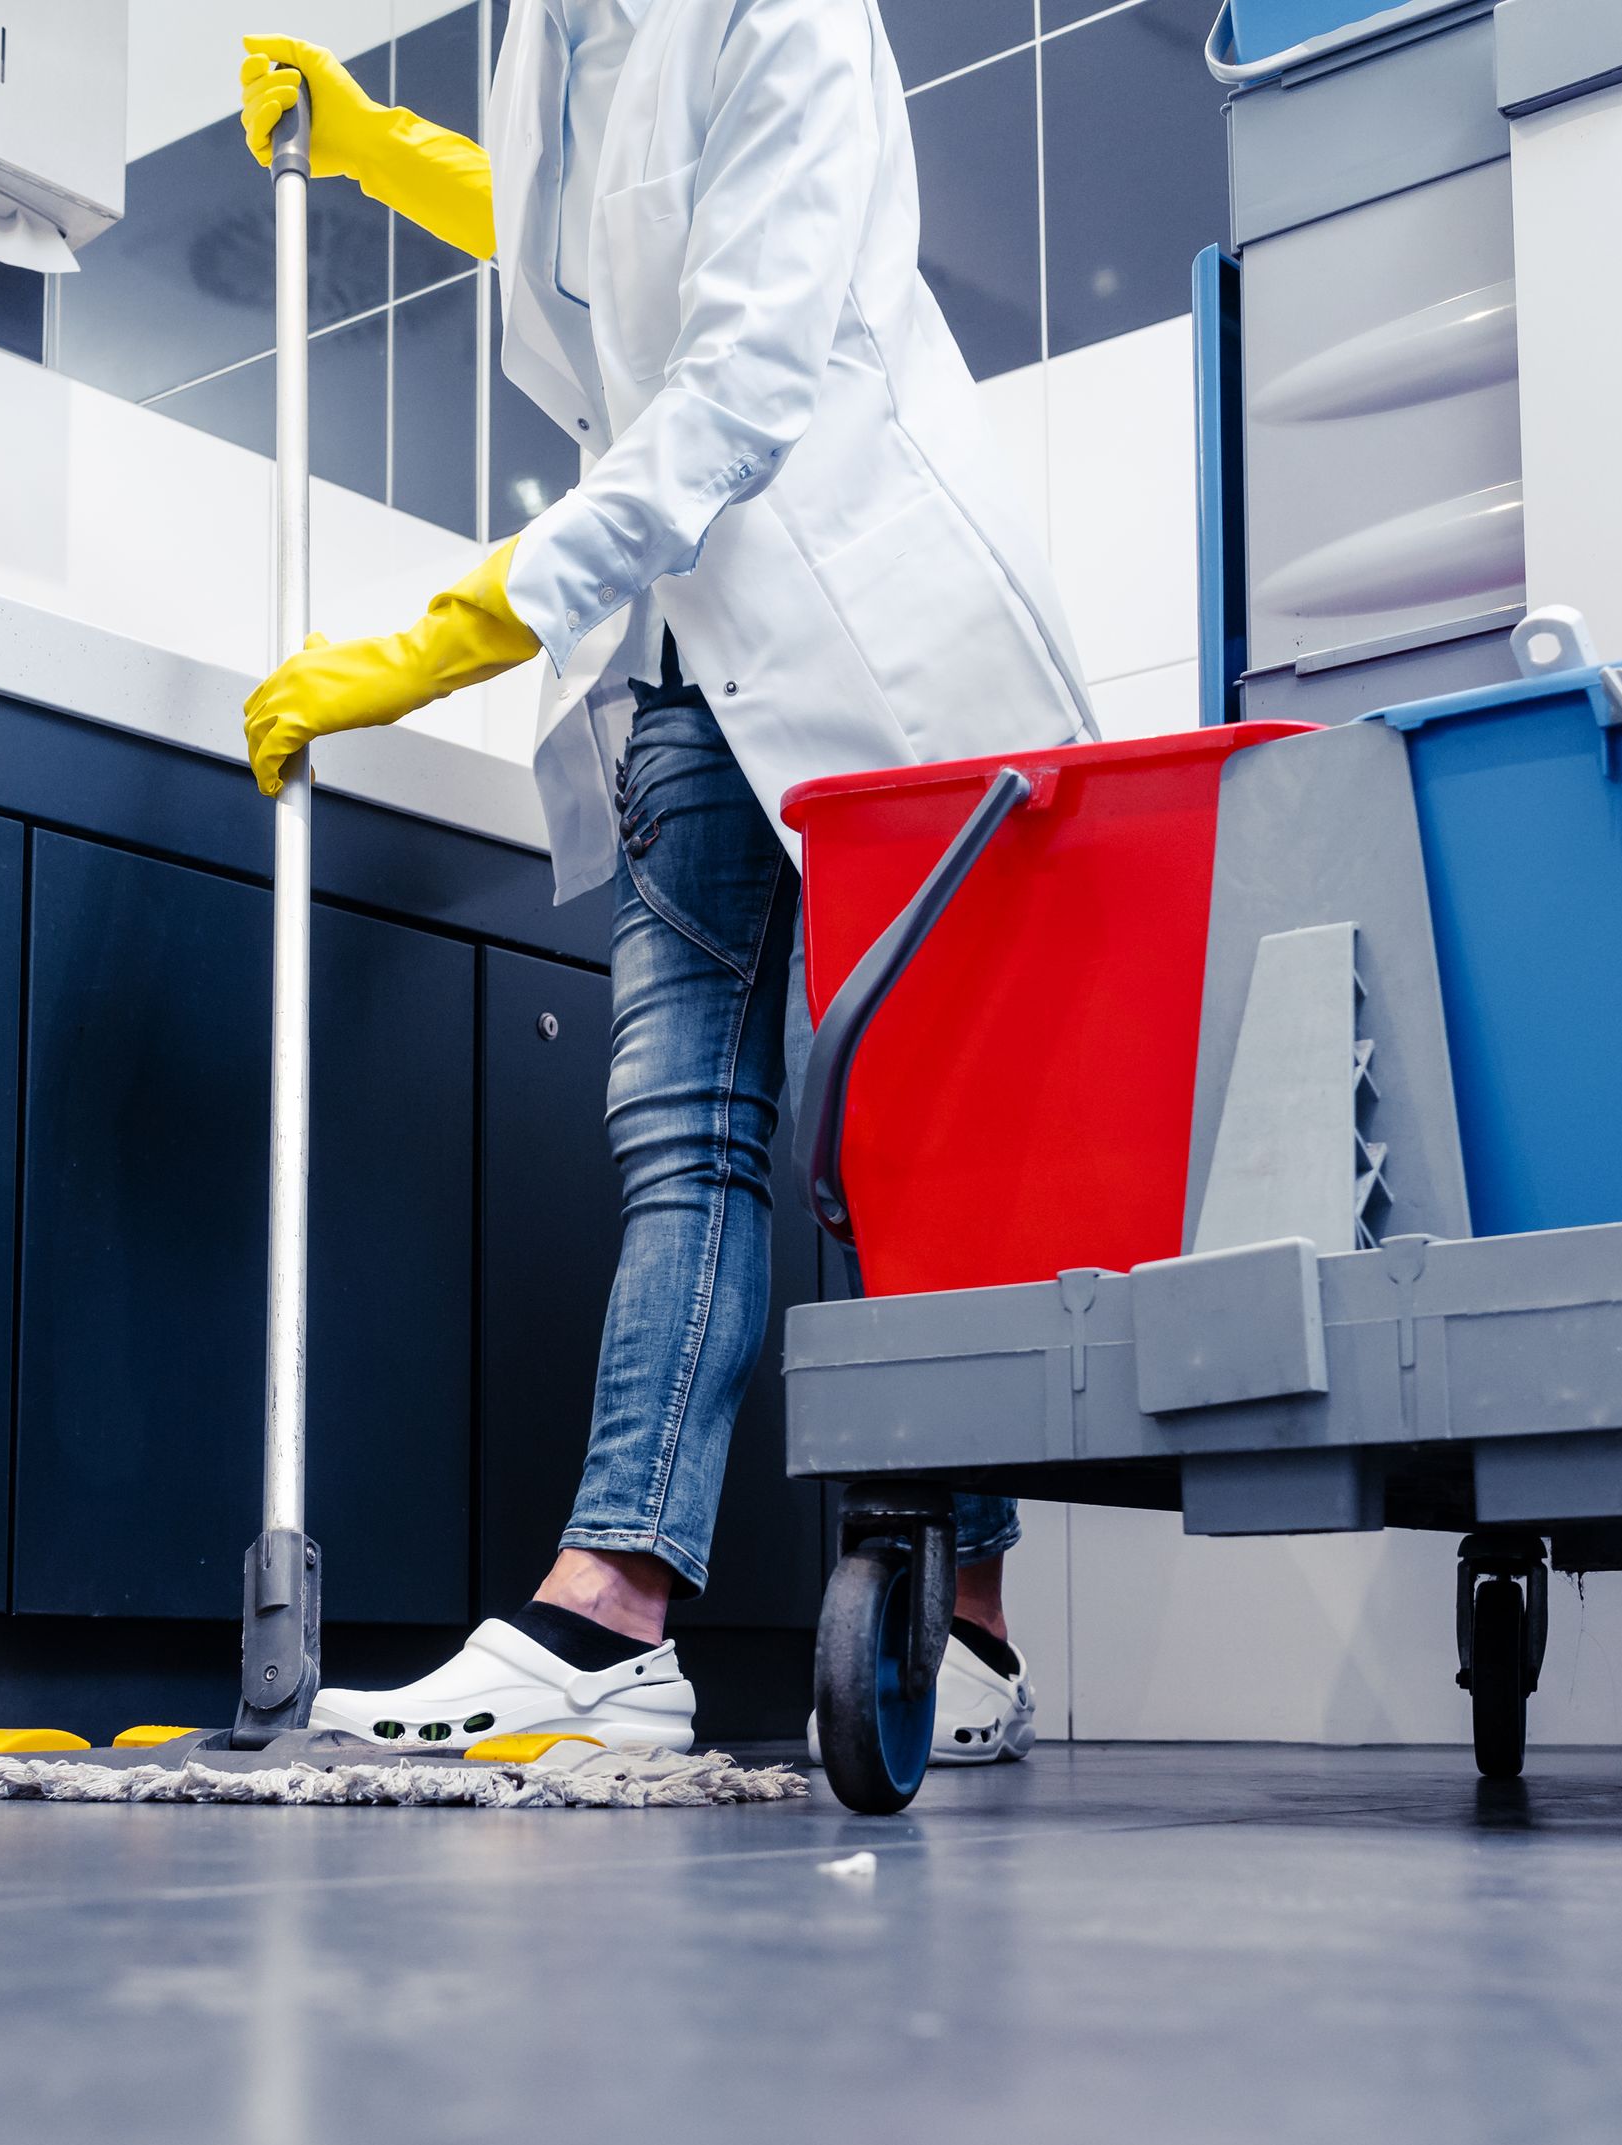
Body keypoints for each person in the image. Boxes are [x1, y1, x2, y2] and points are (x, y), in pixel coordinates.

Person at [234, 0, 1094, 1756]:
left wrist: (461, 625)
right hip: (683, 646)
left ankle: (979, 1618)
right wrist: (398, 159)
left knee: (912, 1149)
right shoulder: (548, 32)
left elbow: (741, 372)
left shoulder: (786, 14)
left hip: (875, 637)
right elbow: (599, 233)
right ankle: (612, 1611)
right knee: (679, 1122)